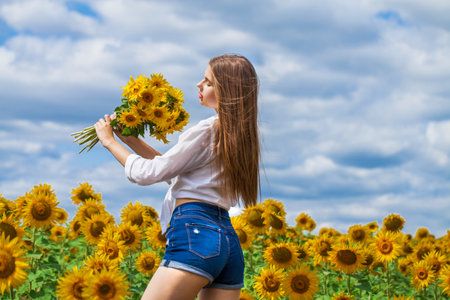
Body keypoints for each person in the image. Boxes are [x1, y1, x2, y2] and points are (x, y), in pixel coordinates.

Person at [94, 54, 260, 300]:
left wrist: (109, 142)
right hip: (227, 243)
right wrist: (131, 141)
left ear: (227, 91)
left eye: (208, 81)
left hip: (196, 233)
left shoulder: (208, 130)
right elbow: (175, 172)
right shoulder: (240, 137)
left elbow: (147, 173)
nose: (198, 85)